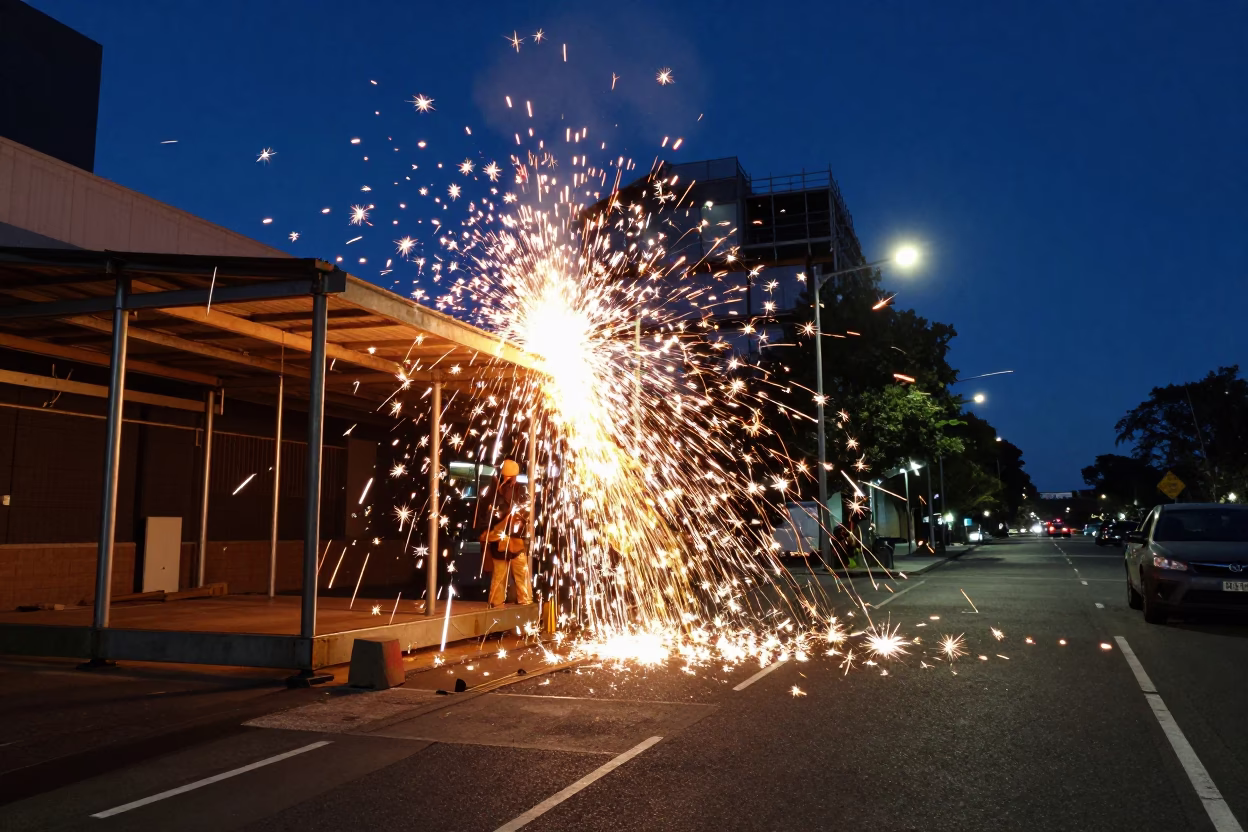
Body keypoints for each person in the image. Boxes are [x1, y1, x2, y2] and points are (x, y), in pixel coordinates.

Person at [479, 459, 533, 608]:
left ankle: (523, 603)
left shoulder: (518, 490)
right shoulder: (495, 492)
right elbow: (489, 515)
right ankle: (498, 604)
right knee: (501, 575)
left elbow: (525, 510)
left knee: (518, 573)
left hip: (512, 540)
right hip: (501, 540)